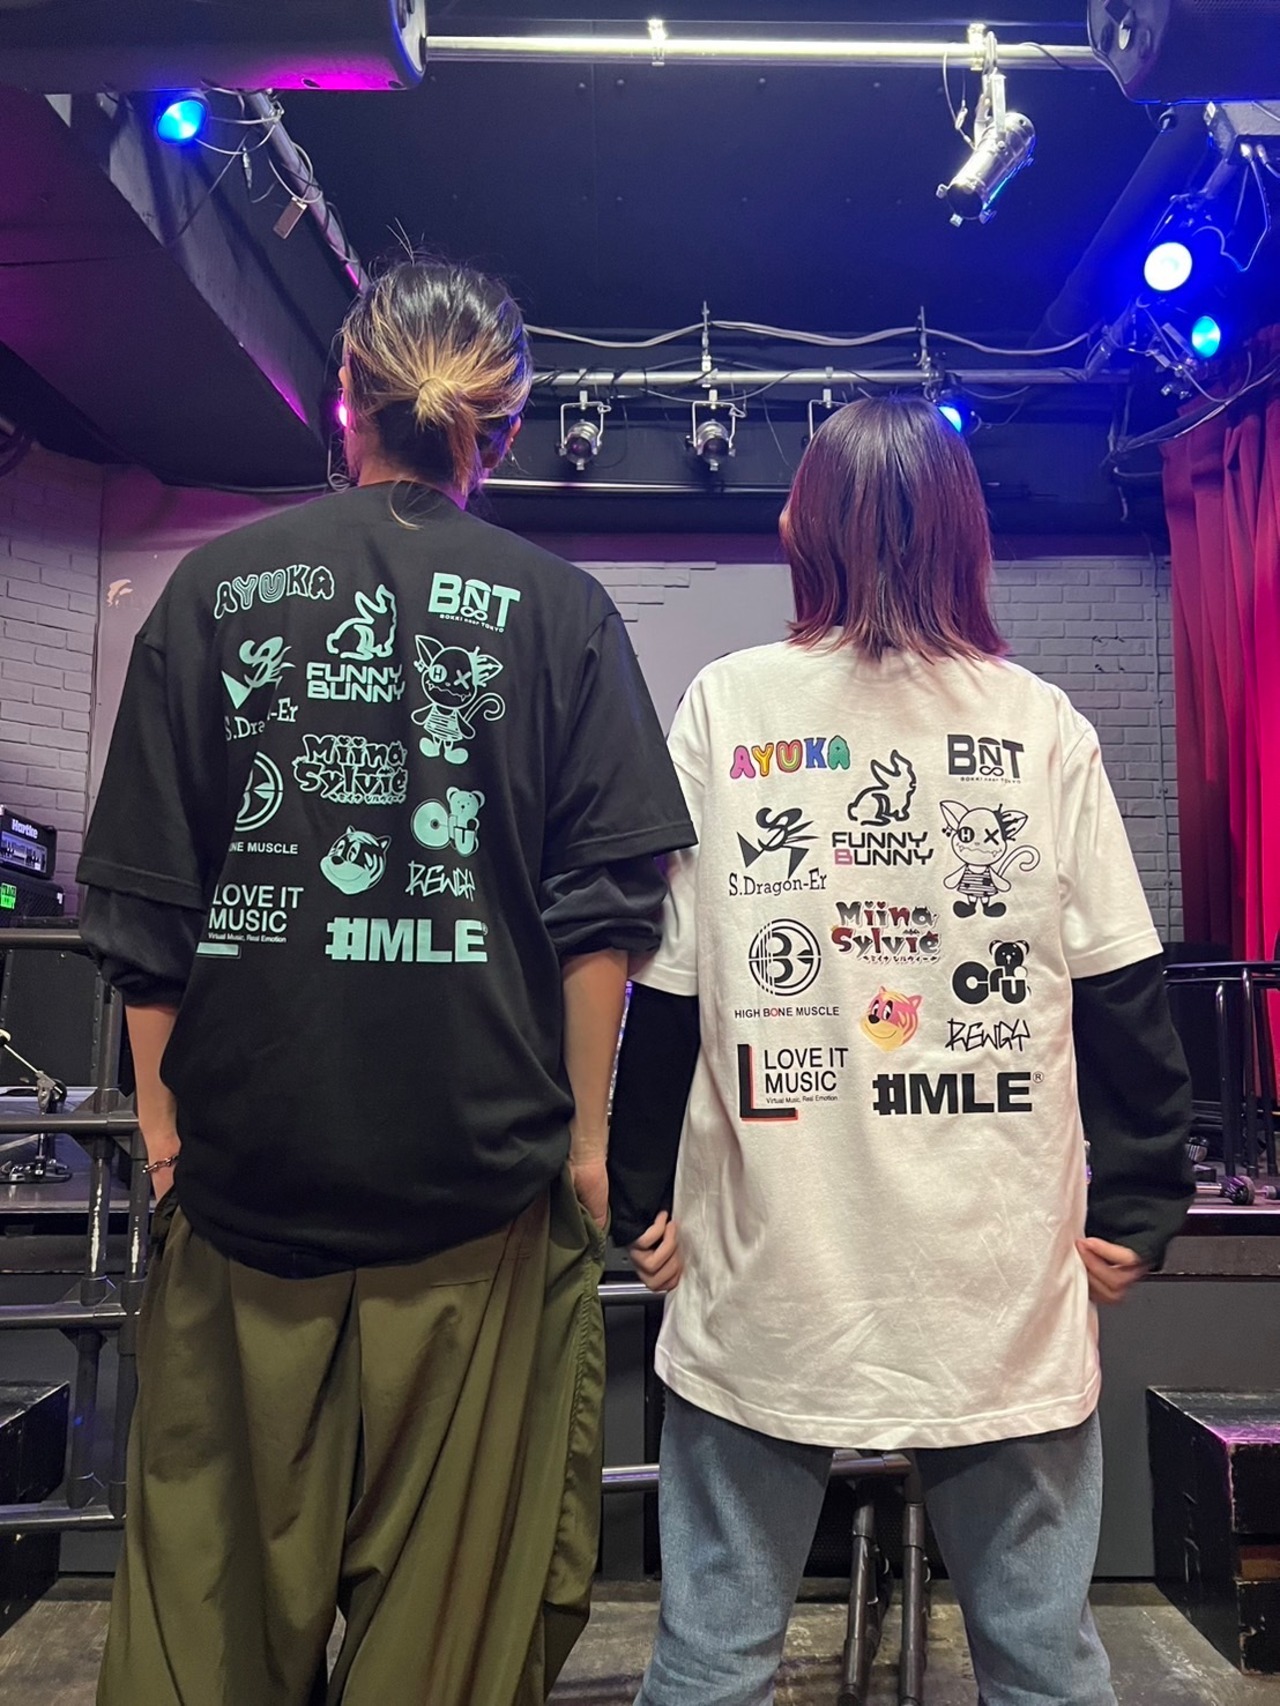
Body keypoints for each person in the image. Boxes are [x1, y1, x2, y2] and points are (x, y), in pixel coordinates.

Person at [78, 259, 695, 1706]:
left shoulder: (211, 590)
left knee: (206, 1648)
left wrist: (165, 1149)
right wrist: (588, 1150)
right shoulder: (561, 612)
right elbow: (604, 918)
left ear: (341, 396)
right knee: (448, 1660)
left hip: (244, 1209)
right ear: (505, 429)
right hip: (476, 1214)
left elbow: (146, 912)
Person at [608, 395, 1194, 1706]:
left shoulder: (726, 707)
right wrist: (1145, 1197)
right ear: (966, 536)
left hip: (769, 1278)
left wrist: (637, 1188)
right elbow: (1124, 990)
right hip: (995, 1293)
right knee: (1044, 1666)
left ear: (800, 530)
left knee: (709, 1660)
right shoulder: (1042, 724)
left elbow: (670, 986)